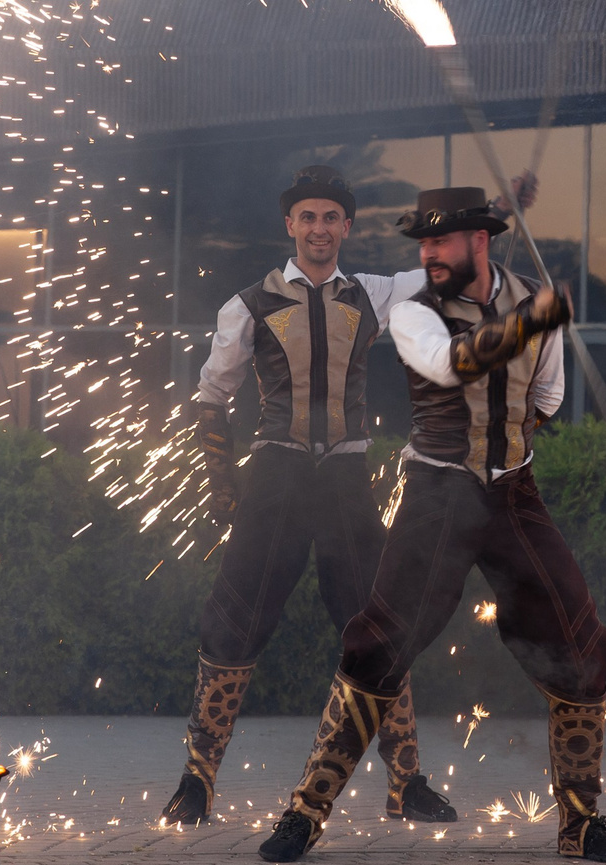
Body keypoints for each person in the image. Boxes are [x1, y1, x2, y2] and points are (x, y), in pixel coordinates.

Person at [258, 185, 606, 865]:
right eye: (423, 243)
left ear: (479, 243)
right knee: (376, 644)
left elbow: (544, 393)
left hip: (512, 493)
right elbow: (449, 363)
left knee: (581, 644)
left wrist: (509, 440)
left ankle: (581, 823)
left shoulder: (529, 299)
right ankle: (306, 812)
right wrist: (531, 321)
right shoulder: (414, 312)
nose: (427, 254)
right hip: (436, 493)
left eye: (440, 242)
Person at [160, 165, 458, 828]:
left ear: (346, 227)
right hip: (277, 477)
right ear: (290, 225)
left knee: (380, 626)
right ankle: (197, 780)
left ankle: (406, 781)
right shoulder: (247, 304)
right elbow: (211, 396)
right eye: (308, 216)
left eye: (331, 217)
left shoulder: (374, 293)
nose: (319, 228)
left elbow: (443, 269)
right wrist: (220, 479)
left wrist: (489, 213)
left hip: (347, 481)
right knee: (233, 620)